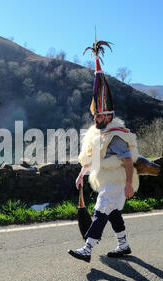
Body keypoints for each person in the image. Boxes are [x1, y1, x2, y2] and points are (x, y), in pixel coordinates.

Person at [68, 41, 140, 263]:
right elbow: (92, 157)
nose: (96, 119)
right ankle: (124, 245)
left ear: (108, 116)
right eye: (94, 116)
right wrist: (82, 173)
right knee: (113, 212)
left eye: (99, 116)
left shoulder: (115, 135)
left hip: (117, 180)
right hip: (107, 181)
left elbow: (128, 160)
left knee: (100, 211)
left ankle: (87, 249)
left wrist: (128, 184)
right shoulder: (98, 134)